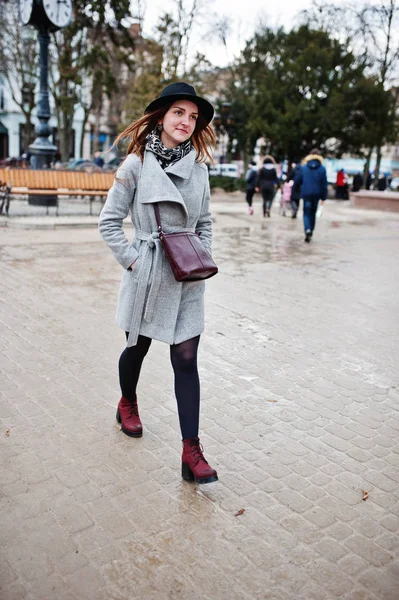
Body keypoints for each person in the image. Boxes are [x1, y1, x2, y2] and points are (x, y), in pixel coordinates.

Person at [98, 82, 218, 485]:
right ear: (162, 117)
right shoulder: (135, 166)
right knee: (136, 348)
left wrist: (197, 257)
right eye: (179, 113)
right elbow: (109, 223)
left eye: (193, 117)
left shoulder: (199, 171)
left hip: (186, 278)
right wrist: (135, 262)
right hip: (148, 275)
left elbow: (204, 222)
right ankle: (127, 401)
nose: (186, 121)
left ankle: (191, 452)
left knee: (186, 359)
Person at [294, 148, 328, 243]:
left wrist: (295, 191)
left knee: (306, 212)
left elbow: (297, 181)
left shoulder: (304, 168)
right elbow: (324, 184)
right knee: (313, 212)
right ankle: (311, 230)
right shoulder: (322, 169)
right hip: (316, 194)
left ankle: (307, 229)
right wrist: (324, 197)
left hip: (306, 193)